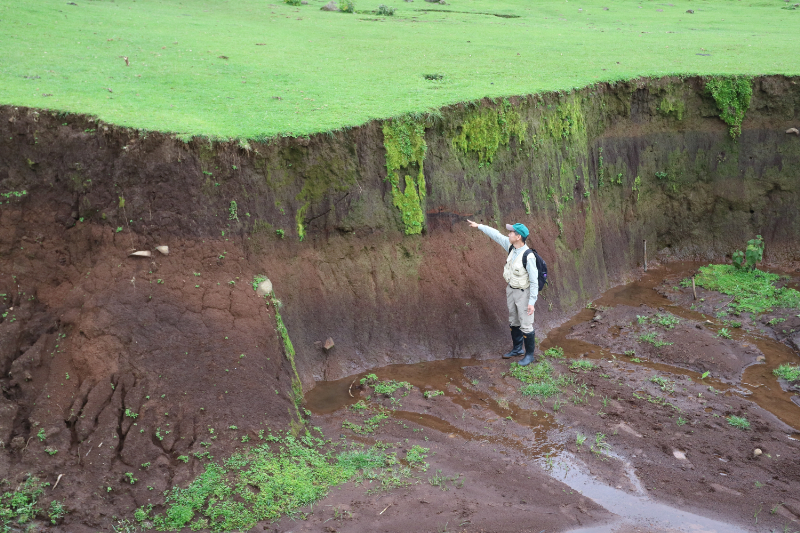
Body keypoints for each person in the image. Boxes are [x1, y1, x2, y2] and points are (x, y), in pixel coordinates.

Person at [467, 219, 538, 366]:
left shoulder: (528, 256)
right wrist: (479, 226)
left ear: (518, 237)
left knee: (526, 324)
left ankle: (529, 355)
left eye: (511, 232)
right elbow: (496, 235)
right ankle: (517, 349)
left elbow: (534, 281)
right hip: (511, 290)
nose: (508, 234)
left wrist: (531, 302)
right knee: (514, 320)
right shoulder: (511, 246)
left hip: (523, 293)